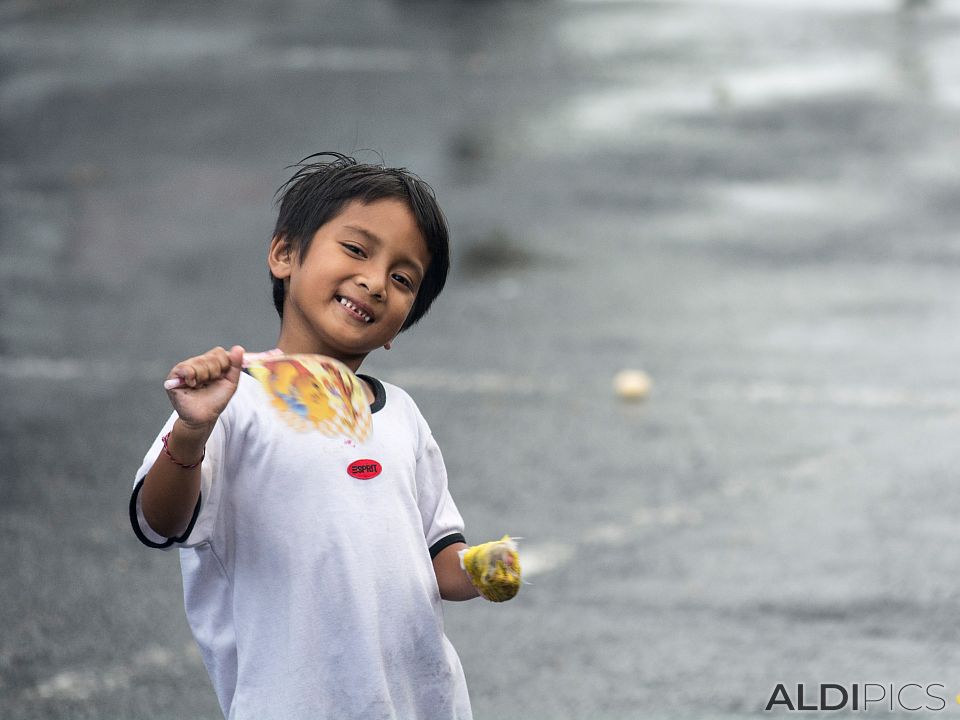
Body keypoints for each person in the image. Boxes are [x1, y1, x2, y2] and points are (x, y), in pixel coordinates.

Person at [129, 152, 517, 720]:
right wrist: (191, 432)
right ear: (285, 254)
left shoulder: (401, 417)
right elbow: (158, 522)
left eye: (403, 278)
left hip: (421, 705)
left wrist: (481, 569)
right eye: (357, 250)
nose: (375, 281)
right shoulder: (230, 400)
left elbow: (437, 560)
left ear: (402, 325)